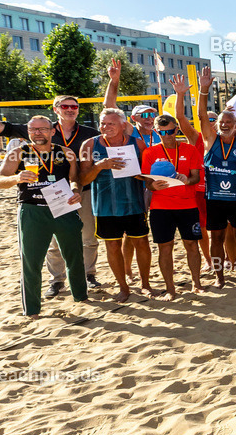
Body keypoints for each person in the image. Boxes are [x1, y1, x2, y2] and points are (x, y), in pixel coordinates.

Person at [0, 80, 101, 294]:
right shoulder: (39, 129)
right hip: (44, 195)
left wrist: (113, 82)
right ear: (56, 110)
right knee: (54, 243)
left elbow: (111, 127)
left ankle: (88, 275)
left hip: (79, 190)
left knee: (88, 238)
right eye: (65, 106)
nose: (71, 110)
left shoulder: (88, 132)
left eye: (75, 107)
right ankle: (57, 280)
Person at [0, 116, 89, 318]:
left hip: (63, 207)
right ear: (28, 132)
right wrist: (16, 178)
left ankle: (81, 297)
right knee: (31, 262)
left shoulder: (66, 152)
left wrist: (75, 190)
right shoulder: (18, 153)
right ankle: (33, 311)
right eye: (33, 129)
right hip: (32, 210)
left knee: (74, 257)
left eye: (43, 129)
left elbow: (74, 179)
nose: (38, 133)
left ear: (52, 131)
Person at [79, 108, 152, 303]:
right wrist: (99, 166)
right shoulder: (89, 145)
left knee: (142, 243)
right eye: (103, 123)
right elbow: (83, 179)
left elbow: (147, 174)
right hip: (104, 207)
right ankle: (123, 287)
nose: (105, 127)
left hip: (134, 204)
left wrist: (143, 176)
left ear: (122, 125)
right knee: (112, 246)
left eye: (111, 123)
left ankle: (145, 284)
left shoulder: (137, 144)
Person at [196, 67, 236, 287]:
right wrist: (204, 89)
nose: (224, 124)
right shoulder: (211, 140)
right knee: (217, 238)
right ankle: (220, 277)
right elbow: (202, 115)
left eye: (229, 122)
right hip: (215, 199)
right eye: (221, 121)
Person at [140, 114, 202, 299]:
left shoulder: (190, 150)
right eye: (163, 132)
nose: (168, 135)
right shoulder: (150, 153)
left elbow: (196, 177)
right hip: (161, 207)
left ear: (177, 130)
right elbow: (146, 182)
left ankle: (196, 284)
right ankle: (171, 289)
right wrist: (152, 186)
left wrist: (187, 180)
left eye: (171, 131)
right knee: (165, 248)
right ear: (156, 132)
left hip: (187, 205)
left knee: (192, 244)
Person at [169, 75, 216, 273]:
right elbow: (180, 118)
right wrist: (180, 95)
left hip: (219, 191)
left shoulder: (224, 139)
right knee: (203, 228)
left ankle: (225, 259)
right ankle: (208, 260)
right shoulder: (196, 137)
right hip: (198, 190)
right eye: (209, 119)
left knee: (222, 228)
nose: (211, 122)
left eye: (215, 119)